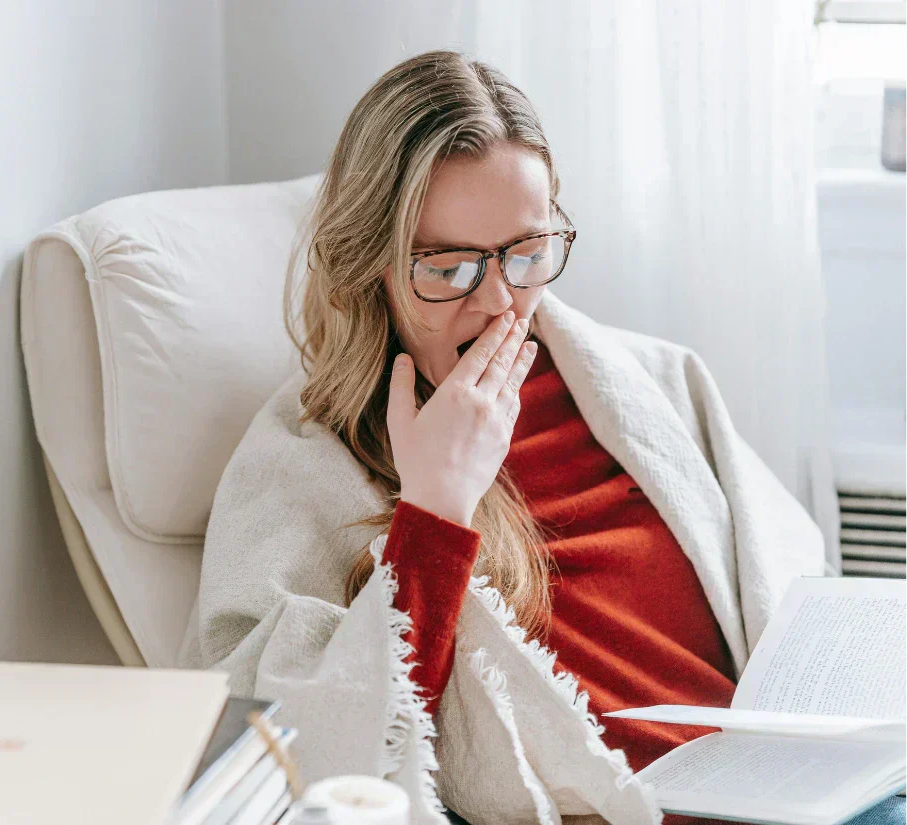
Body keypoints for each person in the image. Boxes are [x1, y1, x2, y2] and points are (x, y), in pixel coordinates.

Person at [178, 50, 835, 825]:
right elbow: (299, 749)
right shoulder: (303, 459)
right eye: (449, 267)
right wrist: (435, 508)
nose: (500, 304)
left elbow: (794, 595)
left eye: (527, 253)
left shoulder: (654, 381)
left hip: (799, 797)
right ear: (369, 269)